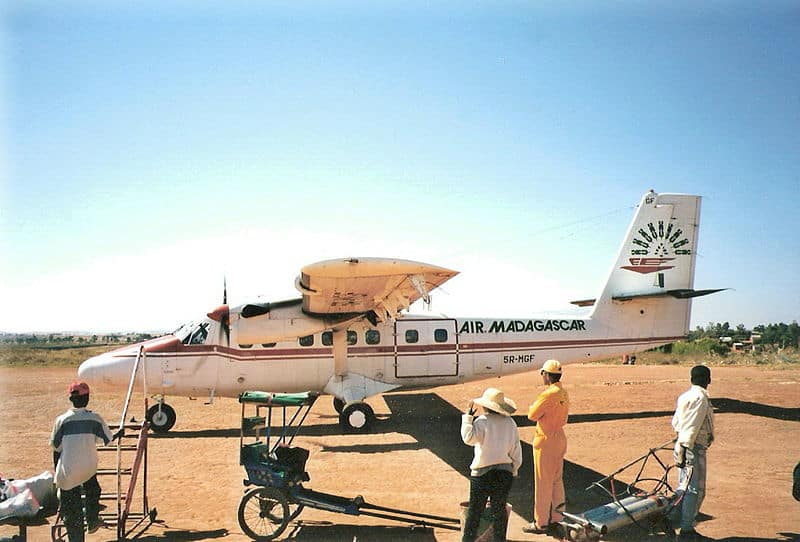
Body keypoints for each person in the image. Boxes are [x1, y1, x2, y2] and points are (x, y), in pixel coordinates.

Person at [50, 381, 115, 541]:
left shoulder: (61, 421)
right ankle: (92, 519)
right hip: (88, 469)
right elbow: (108, 439)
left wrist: (57, 472)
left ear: (71, 400)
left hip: (68, 472)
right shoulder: (95, 418)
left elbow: (55, 447)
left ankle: (76, 537)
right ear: (87, 399)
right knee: (93, 490)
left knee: (72, 511)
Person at [461, 387, 522, 542]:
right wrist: (513, 471)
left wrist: (468, 418)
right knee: (499, 510)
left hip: (482, 474)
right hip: (504, 472)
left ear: (485, 406)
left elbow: (468, 438)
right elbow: (516, 451)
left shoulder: (482, 421)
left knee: (475, 512)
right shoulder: (510, 422)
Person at [523, 359, 569, 535]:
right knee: (557, 481)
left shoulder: (548, 394)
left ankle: (540, 523)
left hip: (546, 441)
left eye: (543, 373)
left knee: (543, 483)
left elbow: (532, 415)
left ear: (547, 375)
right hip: (559, 438)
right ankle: (558, 518)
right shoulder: (563, 392)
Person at [670, 365, 715, 541]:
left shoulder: (685, 396)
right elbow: (692, 425)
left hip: (684, 446)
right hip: (692, 448)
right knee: (695, 490)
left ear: (691, 379)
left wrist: (680, 446)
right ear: (708, 379)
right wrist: (686, 445)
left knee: (684, 486)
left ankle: (673, 519)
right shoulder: (700, 398)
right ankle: (687, 528)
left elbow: (676, 422)